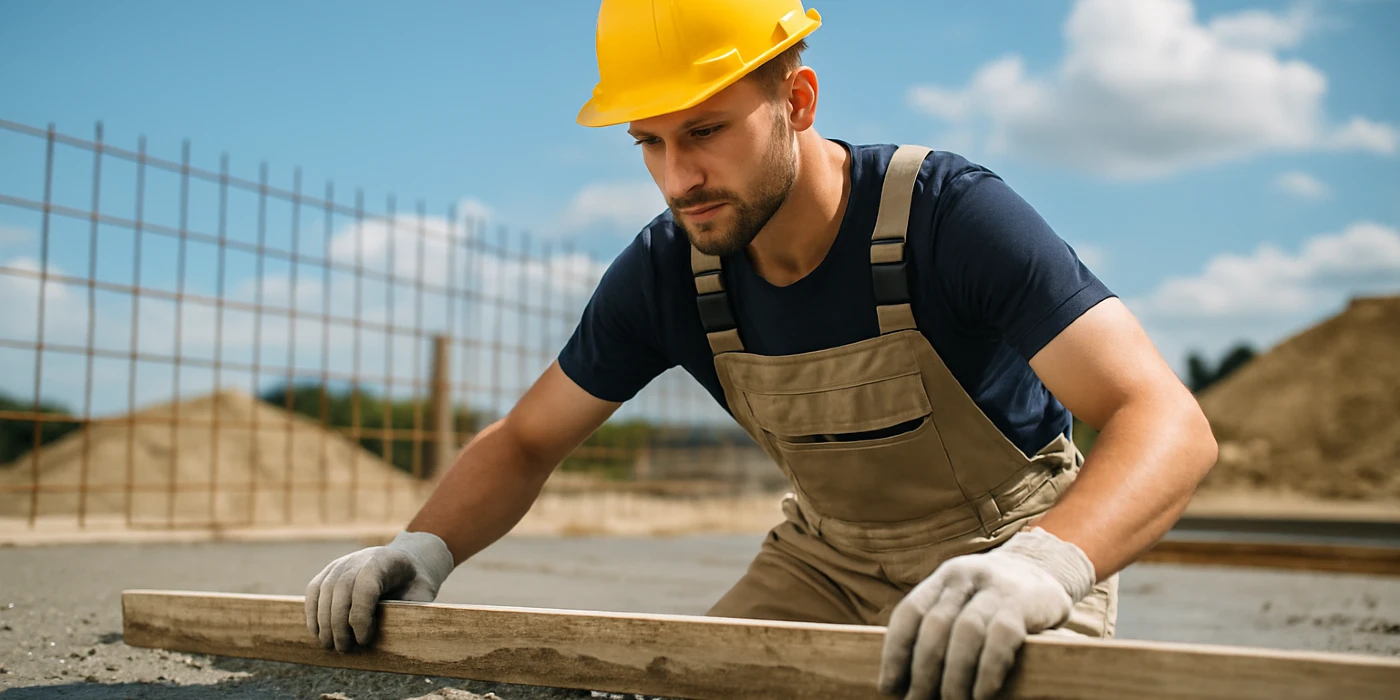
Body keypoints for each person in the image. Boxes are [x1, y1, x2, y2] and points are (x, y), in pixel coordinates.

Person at [305, 2, 1219, 699]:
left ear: (798, 99)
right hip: (823, 564)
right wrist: (419, 549)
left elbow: (1166, 421)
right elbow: (527, 439)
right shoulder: (670, 271)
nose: (679, 178)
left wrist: (1042, 569)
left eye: (705, 130)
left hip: (1004, 555)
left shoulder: (946, 216)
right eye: (651, 143)